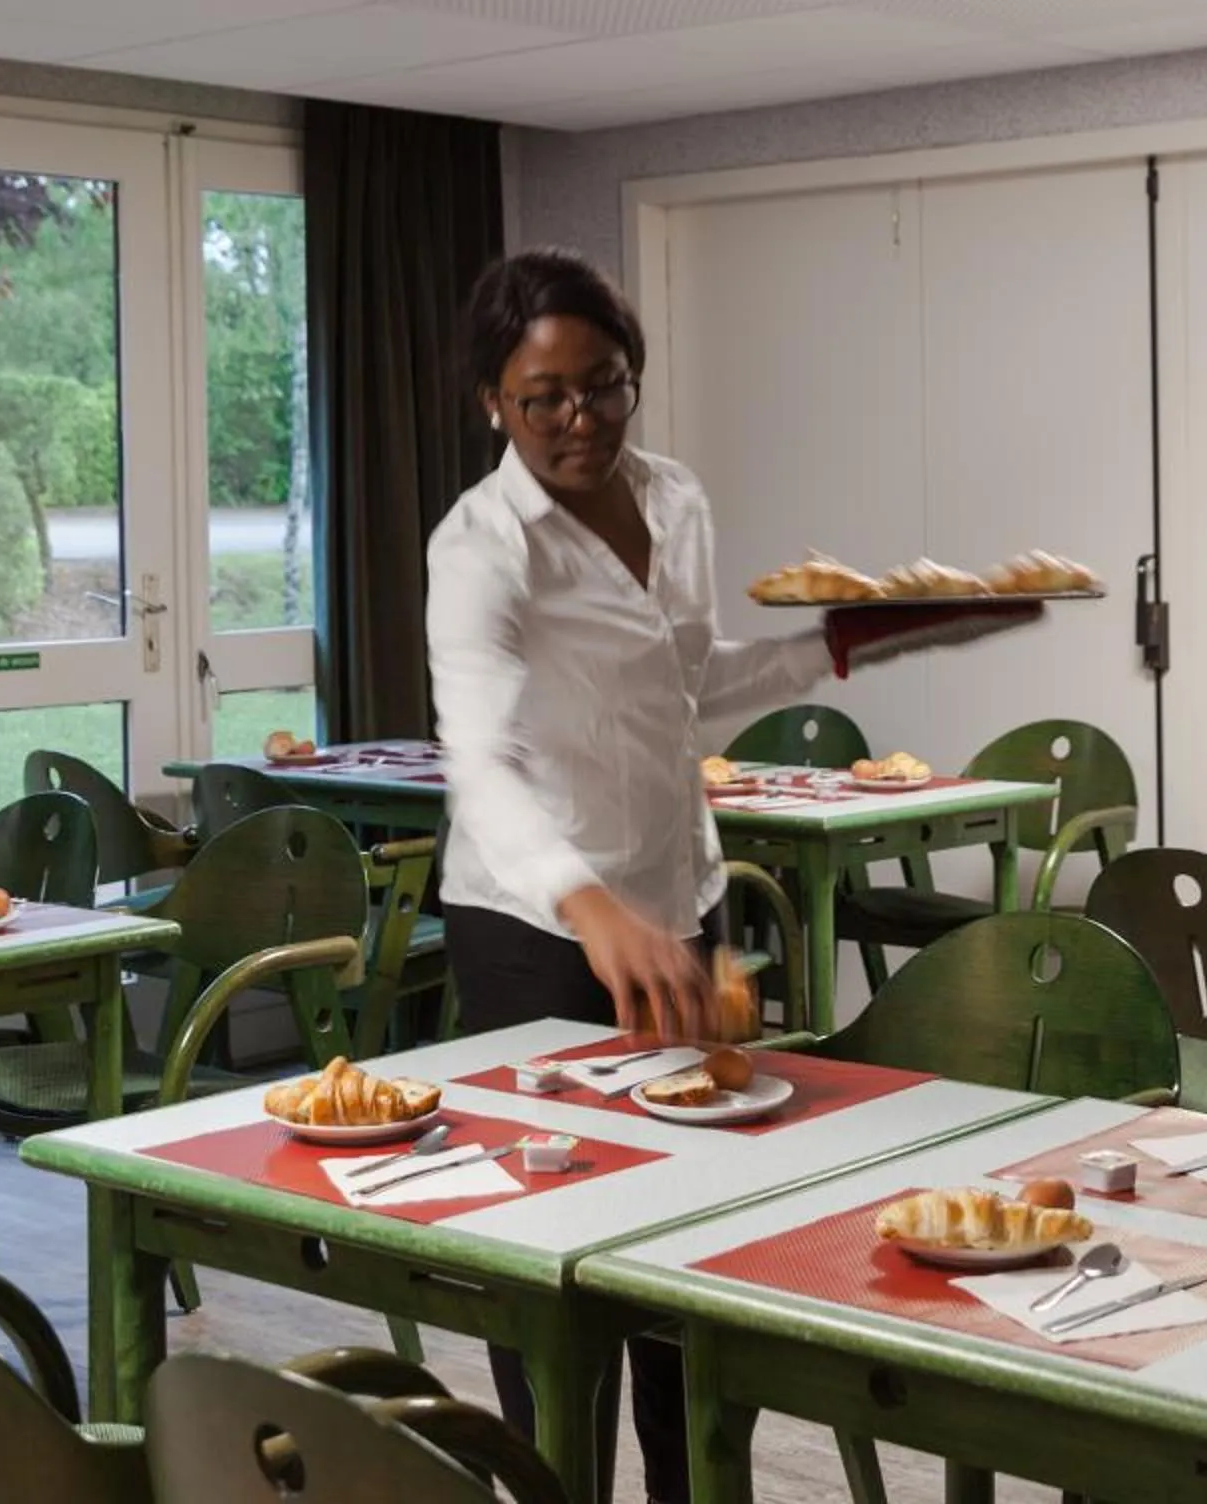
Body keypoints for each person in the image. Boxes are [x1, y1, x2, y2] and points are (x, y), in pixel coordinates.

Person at [426, 247, 825, 1500]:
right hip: (535, 931)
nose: (579, 419)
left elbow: (689, 679)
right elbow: (478, 763)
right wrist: (589, 904)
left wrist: (836, 645)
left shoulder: (679, 497)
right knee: (552, 1241)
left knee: (693, 1244)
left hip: (677, 901)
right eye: (543, 396)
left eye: (603, 386)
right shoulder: (480, 545)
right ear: (492, 399)